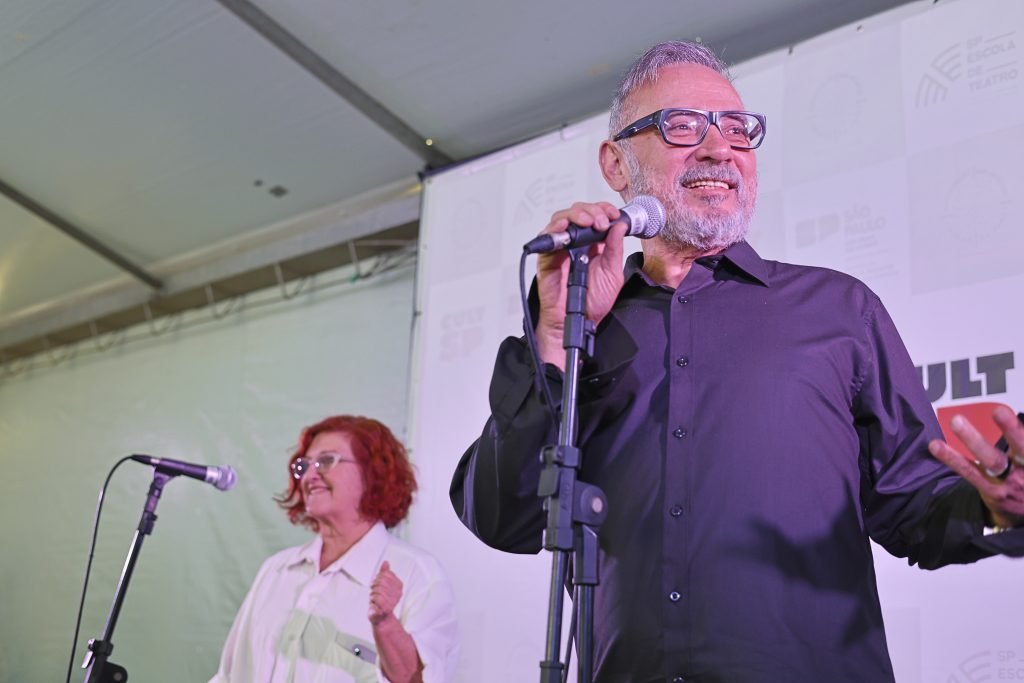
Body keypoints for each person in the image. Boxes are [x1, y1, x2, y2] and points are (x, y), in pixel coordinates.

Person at [449, 41, 1024, 682]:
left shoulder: (837, 309)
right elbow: (504, 518)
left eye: (738, 130)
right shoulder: (585, 327)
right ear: (615, 164)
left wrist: (996, 509)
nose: (720, 148)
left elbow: (914, 507)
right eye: (683, 125)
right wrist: (556, 335)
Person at [211, 415, 459, 683]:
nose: (310, 475)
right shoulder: (276, 570)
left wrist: (386, 624)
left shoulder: (418, 574)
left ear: (372, 472)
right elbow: (228, 675)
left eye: (326, 461)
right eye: (303, 465)